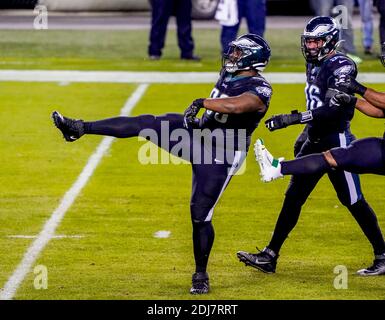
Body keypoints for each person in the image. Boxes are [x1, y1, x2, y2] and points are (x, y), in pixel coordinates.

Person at [52, 34, 273, 294]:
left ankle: (201, 275)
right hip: (200, 132)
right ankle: (79, 128)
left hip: (223, 152)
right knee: (146, 123)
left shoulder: (261, 88)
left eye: (238, 53)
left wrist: (203, 102)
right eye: (233, 52)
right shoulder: (230, 73)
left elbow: (238, 106)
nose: (232, 56)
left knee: (200, 215)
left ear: (252, 58)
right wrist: (201, 114)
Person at [237, 16, 385, 276]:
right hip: (314, 138)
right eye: (309, 41)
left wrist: (294, 119)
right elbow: (323, 105)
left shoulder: (341, 64)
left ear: (329, 41)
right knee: (293, 198)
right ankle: (270, 255)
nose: (311, 46)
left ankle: (383, 255)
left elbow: (332, 109)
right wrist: (305, 131)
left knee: (352, 200)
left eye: (316, 41)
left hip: (336, 137)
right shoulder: (314, 64)